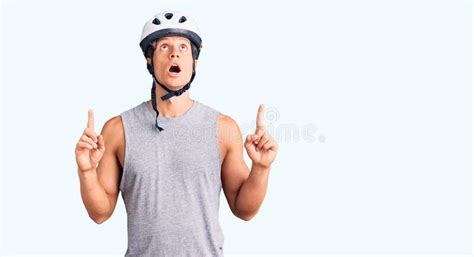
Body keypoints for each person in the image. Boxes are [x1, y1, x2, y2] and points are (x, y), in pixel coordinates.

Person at [75, 11, 278, 257]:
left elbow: (245, 210)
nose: (175, 53)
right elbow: (100, 213)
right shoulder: (118, 129)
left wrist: (261, 168)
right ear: (149, 59)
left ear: (194, 61)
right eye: (164, 47)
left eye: (183, 46)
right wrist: (86, 171)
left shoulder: (223, 127)